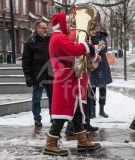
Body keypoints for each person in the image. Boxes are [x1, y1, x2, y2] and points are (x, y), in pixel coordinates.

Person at [43, 12, 105, 156]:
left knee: (76, 110)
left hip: (68, 76)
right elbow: (75, 50)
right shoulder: (59, 37)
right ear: (61, 24)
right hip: (65, 77)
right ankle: (51, 143)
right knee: (62, 111)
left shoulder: (58, 36)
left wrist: (92, 48)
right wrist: (87, 45)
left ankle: (83, 141)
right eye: (68, 22)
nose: (71, 25)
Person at [22, 21, 53, 127]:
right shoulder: (31, 42)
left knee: (53, 98)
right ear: (37, 29)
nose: (46, 30)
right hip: (37, 75)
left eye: (46, 28)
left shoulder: (50, 40)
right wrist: (28, 76)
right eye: (43, 28)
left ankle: (53, 117)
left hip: (50, 74)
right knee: (36, 98)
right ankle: (37, 118)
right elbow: (26, 61)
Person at [89, 24, 112, 118]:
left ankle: (101, 110)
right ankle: (92, 110)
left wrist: (103, 47)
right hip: (91, 66)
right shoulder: (86, 37)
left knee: (102, 88)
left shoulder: (102, 37)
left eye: (95, 29)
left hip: (102, 65)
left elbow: (105, 50)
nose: (94, 31)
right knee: (92, 89)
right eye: (92, 29)